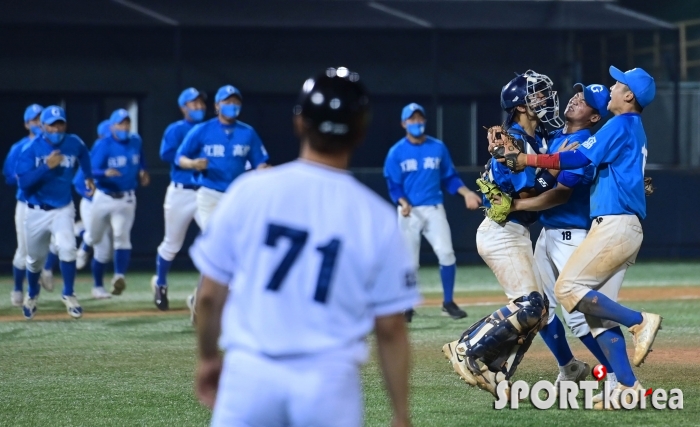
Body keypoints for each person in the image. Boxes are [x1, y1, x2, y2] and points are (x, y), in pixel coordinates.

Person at [191, 67, 419, 427]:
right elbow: (390, 328)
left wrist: (207, 358)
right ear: (360, 132)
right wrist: (401, 414)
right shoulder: (374, 216)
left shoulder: (250, 191)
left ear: (299, 123)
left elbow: (208, 296)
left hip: (250, 375)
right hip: (328, 383)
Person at [505, 66, 662, 409]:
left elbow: (576, 159)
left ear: (629, 96)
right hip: (615, 223)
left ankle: (639, 320)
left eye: (617, 84)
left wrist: (525, 159)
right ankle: (627, 387)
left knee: (567, 290)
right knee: (594, 315)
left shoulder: (619, 124)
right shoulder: (628, 127)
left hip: (614, 225)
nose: (611, 88)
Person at [442, 70, 564, 398]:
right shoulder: (513, 140)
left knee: (538, 315)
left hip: (516, 231)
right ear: (521, 106)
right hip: (501, 231)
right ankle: (466, 348)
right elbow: (523, 197)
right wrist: (555, 171)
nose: (545, 99)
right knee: (529, 306)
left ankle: (496, 369)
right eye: (537, 95)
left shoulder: (536, 140)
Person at [508, 83, 615, 398]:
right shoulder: (555, 137)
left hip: (572, 237)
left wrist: (518, 204)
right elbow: (540, 178)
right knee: (539, 309)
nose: (575, 99)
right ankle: (568, 367)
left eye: (584, 101)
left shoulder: (586, 144)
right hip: (548, 236)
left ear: (594, 118)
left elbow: (558, 193)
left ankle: (615, 375)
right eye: (577, 94)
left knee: (581, 317)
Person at [175, 84, 269, 320]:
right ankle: (209, 301)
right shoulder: (203, 130)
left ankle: (201, 298)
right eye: (228, 101)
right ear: (217, 106)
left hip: (237, 199)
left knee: (234, 251)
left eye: (236, 102)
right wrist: (193, 164)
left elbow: (259, 161)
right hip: (209, 196)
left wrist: (266, 170)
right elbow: (180, 157)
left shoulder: (247, 132)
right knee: (221, 246)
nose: (232, 105)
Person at [383, 103, 481, 321]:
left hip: (434, 208)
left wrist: (466, 193)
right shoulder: (396, 152)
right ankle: (406, 304)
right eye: (412, 119)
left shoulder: (438, 147)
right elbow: (394, 185)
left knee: (446, 253)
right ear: (403, 123)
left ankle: (448, 302)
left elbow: (449, 178)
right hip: (409, 211)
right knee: (409, 261)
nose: (417, 123)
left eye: (420, 119)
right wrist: (402, 201)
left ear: (424, 121)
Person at [15, 105, 94, 319]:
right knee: (34, 260)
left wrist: (88, 176)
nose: (57, 129)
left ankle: (69, 293)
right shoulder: (31, 149)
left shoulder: (73, 142)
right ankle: (32, 294)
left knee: (68, 248)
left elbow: (84, 154)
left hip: (62, 208)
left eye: (60, 124)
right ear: (42, 126)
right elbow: (23, 183)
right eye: (52, 125)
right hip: (36, 211)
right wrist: (46, 167)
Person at [151, 88, 207, 311]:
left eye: (201, 103)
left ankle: (201, 294)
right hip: (181, 192)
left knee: (214, 240)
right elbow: (165, 154)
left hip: (206, 193)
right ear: (183, 107)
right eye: (193, 103)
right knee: (172, 244)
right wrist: (189, 159)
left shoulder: (210, 129)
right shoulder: (176, 129)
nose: (199, 106)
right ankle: (161, 283)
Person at [86, 109, 149, 296]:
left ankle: (118, 276)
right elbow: (88, 169)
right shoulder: (103, 144)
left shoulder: (135, 140)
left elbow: (141, 159)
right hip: (104, 197)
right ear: (112, 126)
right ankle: (85, 244)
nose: (125, 127)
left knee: (122, 236)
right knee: (96, 239)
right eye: (120, 124)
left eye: (127, 123)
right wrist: (104, 173)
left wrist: (143, 171)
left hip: (126, 198)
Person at [3, 104, 43, 306]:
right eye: (34, 120)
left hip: (50, 205)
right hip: (26, 204)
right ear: (27, 124)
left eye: (40, 119)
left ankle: (44, 275)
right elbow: (9, 176)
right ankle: (18, 288)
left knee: (51, 247)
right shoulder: (19, 147)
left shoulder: (55, 146)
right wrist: (21, 177)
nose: (38, 123)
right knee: (24, 251)